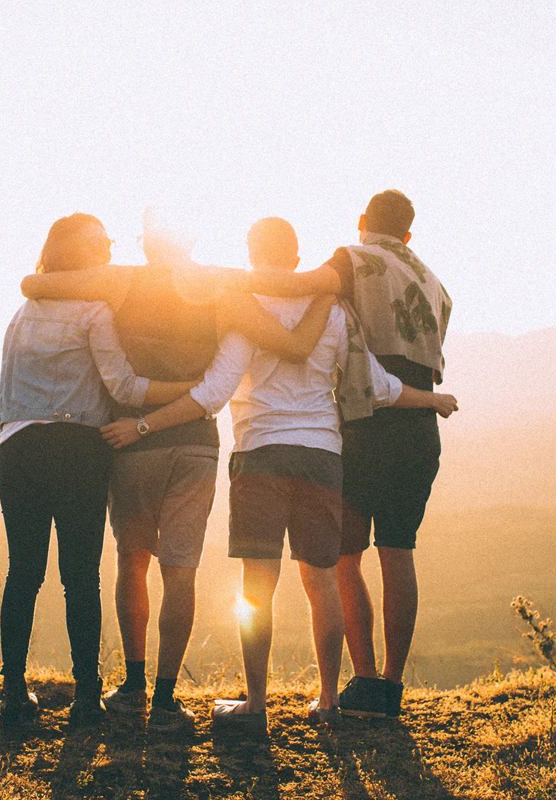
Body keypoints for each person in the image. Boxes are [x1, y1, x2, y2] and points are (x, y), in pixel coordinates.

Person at [101, 217, 457, 731]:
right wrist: (434, 399)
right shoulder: (334, 311)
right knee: (322, 583)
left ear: (251, 253)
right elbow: (378, 386)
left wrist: (143, 424)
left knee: (257, 587)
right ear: (296, 259)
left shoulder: (245, 309)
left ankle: (256, 705)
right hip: (323, 457)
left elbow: (213, 393)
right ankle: (330, 701)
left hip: (261, 454)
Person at [19, 208, 334, 732]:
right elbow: (289, 343)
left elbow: (37, 284)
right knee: (180, 570)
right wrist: (327, 293)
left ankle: (134, 684)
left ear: (146, 244)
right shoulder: (219, 288)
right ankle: (166, 698)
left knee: (132, 559)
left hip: (130, 440)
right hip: (195, 444)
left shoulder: (120, 282)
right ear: (191, 240)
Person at [216, 191, 454, 718]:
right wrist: (434, 400)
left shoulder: (353, 260)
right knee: (399, 553)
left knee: (342, 559)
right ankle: (389, 688)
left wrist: (220, 280)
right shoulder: (436, 284)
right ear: (409, 235)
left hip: (365, 424)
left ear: (364, 222)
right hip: (417, 426)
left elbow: (294, 286)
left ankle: (362, 682)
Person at [0, 213, 196, 726]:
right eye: (100, 242)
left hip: (18, 447)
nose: (109, 248)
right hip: (78, 449)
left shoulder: (22, 312)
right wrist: (192, 392)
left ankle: (13, 693)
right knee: (79, 576)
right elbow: (125, 389)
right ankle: (87, 697)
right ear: (78, 254)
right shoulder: (93, 311)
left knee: (23, 572)